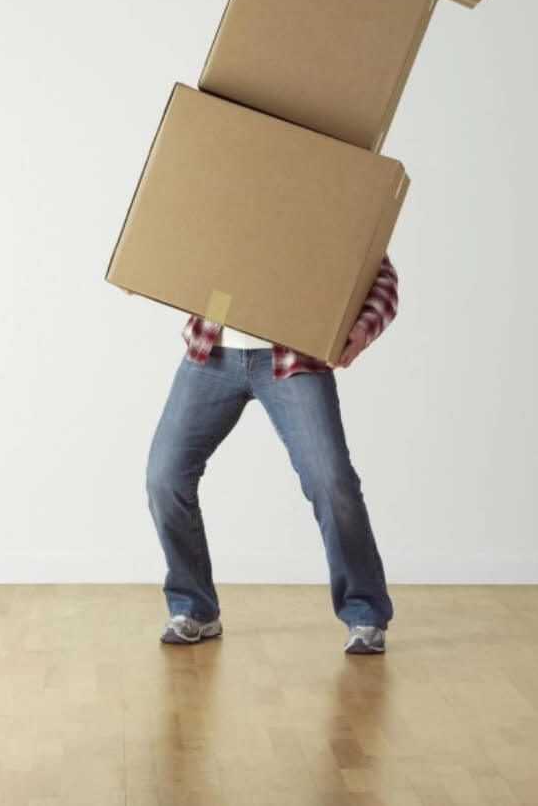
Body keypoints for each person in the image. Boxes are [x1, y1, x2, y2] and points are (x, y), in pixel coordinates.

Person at [125, 255, 398, 655]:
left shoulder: (328, 194)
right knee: (164, 478)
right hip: (213, 351)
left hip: (294, 355)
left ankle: (366, 613)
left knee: (331, 481)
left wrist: (363, 329)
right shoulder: (218, 192)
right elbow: (175, 238)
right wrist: (149, 265)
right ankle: (195, 609)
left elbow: (380, 271)